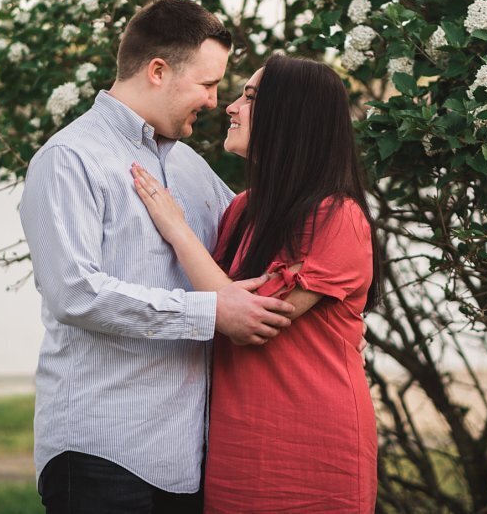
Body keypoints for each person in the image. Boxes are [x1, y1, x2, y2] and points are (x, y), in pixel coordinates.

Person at [18, 0, 296, 514]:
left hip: (187, 460)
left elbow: (250, 248)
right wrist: (212, 312)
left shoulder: (190, 166)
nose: (216, 102)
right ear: (158, 71)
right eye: (208, 84)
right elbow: (74, 292)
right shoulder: (69, 159)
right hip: (99, 452)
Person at [130, 53, 381, 513]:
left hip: (312, 445)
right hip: (236, 445)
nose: (230, 106)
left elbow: (248, 319)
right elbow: (216, 296)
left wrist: (176, 227)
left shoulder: (337, 217)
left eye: (249, 97)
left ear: (291, 116)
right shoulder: (244, 209)